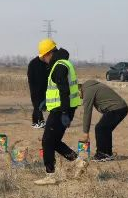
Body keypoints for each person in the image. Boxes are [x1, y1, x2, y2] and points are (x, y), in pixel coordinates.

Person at [34, 39, 88, 185]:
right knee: (54, 141)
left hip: (61, 111)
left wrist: (64, 112)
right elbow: (60, 90)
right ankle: (79, 162)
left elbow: (64, 91)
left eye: (44, 57)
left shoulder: (59, 66)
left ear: (49, 53)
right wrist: (47, 101)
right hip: (64, 108)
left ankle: (50, 175)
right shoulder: (64, 63)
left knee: (47, 141)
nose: (44, 60)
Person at [79, 79, 128, 161]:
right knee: (105, 129)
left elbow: (87, 112)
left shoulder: (88, 91)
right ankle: (108, 154)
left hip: (117, 109)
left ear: (79, 90)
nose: (80, 97)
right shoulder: (91, 87)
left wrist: (85, 133)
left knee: (100, 128)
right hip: (120, 108)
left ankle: (101, 154)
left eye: (78, 95)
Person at [27, 53, 49, 129]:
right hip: (35, 89)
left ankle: (37, 121)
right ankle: (38, 121)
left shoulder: (46, 63)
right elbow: (30, 77)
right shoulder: (33, 63)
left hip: (44, 89)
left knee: (40, 105)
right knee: (37, 105)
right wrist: (34, 88)